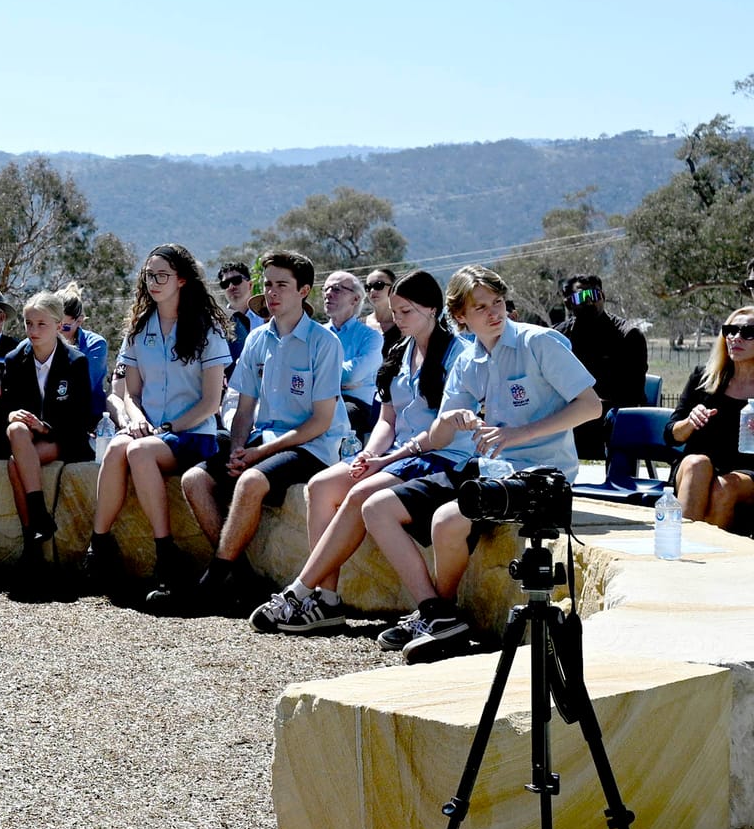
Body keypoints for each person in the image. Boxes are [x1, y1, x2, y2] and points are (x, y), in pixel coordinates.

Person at [362, 266, 600, 663]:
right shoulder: (468, 360)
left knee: (445, 520)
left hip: (540, 476)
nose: (494, 313)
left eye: (498, 303)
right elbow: (438, 436)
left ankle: (440, 616)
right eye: (481, 307)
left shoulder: (539, 342)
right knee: (376, 507)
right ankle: (437, 616)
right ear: (460, 316)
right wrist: (449, 420)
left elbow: (591, 407)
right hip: (489, 470)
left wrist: (517, 435)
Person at [250, 271, 473, 634]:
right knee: (320, 487)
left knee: (360, 496)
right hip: (399, 453)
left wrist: (386, 461)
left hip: (438, 457)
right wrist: (368, 454)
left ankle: (299, 590)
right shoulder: (400, 352)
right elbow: (387, 417)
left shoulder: (457, 354)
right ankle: (326, 599)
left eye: (407, 311)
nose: (398, 319)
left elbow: (441, 432)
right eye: (396, 312)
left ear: (432, 309)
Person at [156, 250, 344, 615]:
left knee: (251, 482)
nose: (272, 293)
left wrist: (255, 457)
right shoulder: (258, 340)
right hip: (263, 439)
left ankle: (210, 584)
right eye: (268, 284)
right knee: (195, 480)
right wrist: (240, 447)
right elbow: (243, 407)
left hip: (312, 445)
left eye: (282, 286)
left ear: (304, 290)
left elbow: (321, 421)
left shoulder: (325, 343)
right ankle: (240, 578)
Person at [84, 245, 230, 600]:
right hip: (149, 434)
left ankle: (166, 553)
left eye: (162, 275)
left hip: (193, 434)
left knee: (139, 452)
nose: (154, 282)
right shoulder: (139, 328)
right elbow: (129, 394)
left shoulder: (206, 330)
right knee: (121, 445)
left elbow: (211, 402)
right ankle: (99, 547)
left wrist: (167, 429)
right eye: (149, 275)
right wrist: (134, 421)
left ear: (182, 280)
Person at [0, 290, 97, 566]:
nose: (33, 330)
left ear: (58, 325)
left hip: (65, 438)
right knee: (16, 429)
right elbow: (5, 407)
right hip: (26, 438)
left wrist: (45, 428)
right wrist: (13, 414)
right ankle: (39, 516)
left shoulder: (75, 361)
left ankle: (32, 539)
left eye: (41, 324)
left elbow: (80, 418)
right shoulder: (15, 359)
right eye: (29, 323)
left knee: (13, 464)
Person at [666, 307, 754, 531]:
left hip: (747, 471)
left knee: (724, 487)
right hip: (695, 468)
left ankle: (710, 558)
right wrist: (690, 422)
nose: (736, 337)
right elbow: (671, 435)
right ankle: (681, 548)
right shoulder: (703, 377)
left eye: (747, 332)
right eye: (730, 330)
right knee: (698, 463)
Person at [553, 274, 648, 458]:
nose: (589, 302)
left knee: (619, 418)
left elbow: (632, 394)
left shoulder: (628, 336)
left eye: (594, 295)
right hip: (570, 417)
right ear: (568, 303)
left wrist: (589, 406)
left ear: (603, 297)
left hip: (613, 418)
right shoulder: (558, 337)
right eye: (582, 297)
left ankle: (621, 485)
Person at [321, 270, 386, 437]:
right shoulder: (316, 334)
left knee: (331, 421)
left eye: (336, 289)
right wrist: (339, 379)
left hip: (355, 405)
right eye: (325, 288)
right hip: (318, 399)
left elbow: (351, 376)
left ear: (355, 299)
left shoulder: (371, 337)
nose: (328, 294)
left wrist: (321, 373)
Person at [57, 283, 112, 427]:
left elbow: (85, 387)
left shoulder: (95, 344)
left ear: (79, 321)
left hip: (87, 417)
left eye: (64, 327)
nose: (57, 332)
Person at [217, 261, 263, 368]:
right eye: (225, 284)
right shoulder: (217, 322)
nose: (231, 286)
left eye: (236, 280)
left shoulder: (266, 318)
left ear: (250, 284)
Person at [362, 267, 399, 339]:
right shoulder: (358, 325)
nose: (372, 291)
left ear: (394, 288)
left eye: (378, 285)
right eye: (368, 287)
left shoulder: (406, 325)